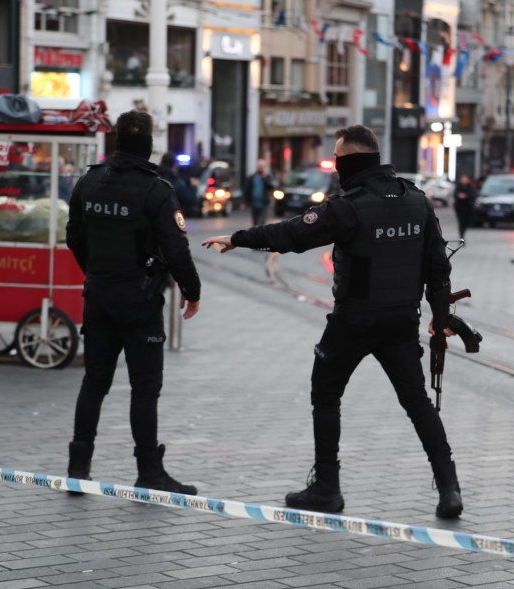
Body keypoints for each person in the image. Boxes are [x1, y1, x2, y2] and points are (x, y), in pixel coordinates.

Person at [202, 124, 464, 519]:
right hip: (400, 322)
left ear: (351, 162)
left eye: (339, 159)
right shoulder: (416, 200)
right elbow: (437, 268)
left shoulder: (348, 205)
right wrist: (441, 317)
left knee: (325, 393)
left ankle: (327, 488)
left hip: (354, 321)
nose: (336, 167)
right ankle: (450, 489)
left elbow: (292, 233)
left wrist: (238, 238)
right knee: (418, 403)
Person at [65, 110, 202, 495]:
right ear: (149, 144)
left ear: (116, 140)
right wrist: (192, 291)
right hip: (139, 300)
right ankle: (149, 471)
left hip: (98, 295)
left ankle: (78, 467)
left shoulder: (89, 182)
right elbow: (177, 248)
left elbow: (73, 236)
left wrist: (94, 271)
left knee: (94, 381)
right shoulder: (156, 190)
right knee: (144, 387)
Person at [244, 159, 275, 226]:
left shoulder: (267, 177)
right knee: (255, 222)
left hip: (264, 203)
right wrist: (245, 202)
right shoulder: (252, 177)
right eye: (259, 166)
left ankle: (261, 235)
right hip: (254, 203)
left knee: (262, 222)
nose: (260, 168)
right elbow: (247, 190)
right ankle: (255, 235)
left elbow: (271, 187)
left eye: (262, 166)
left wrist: (264, 178)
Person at [452, 174, 477, 239]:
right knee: (461, 222)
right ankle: (461, 236)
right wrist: (459, 196)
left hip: (468, 207)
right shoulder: (458, 187)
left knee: (466, 222)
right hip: (459, 207)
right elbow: (455, 195)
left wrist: (465, 196)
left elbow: (473, 195)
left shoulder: (470, 187)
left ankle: (462, 233)